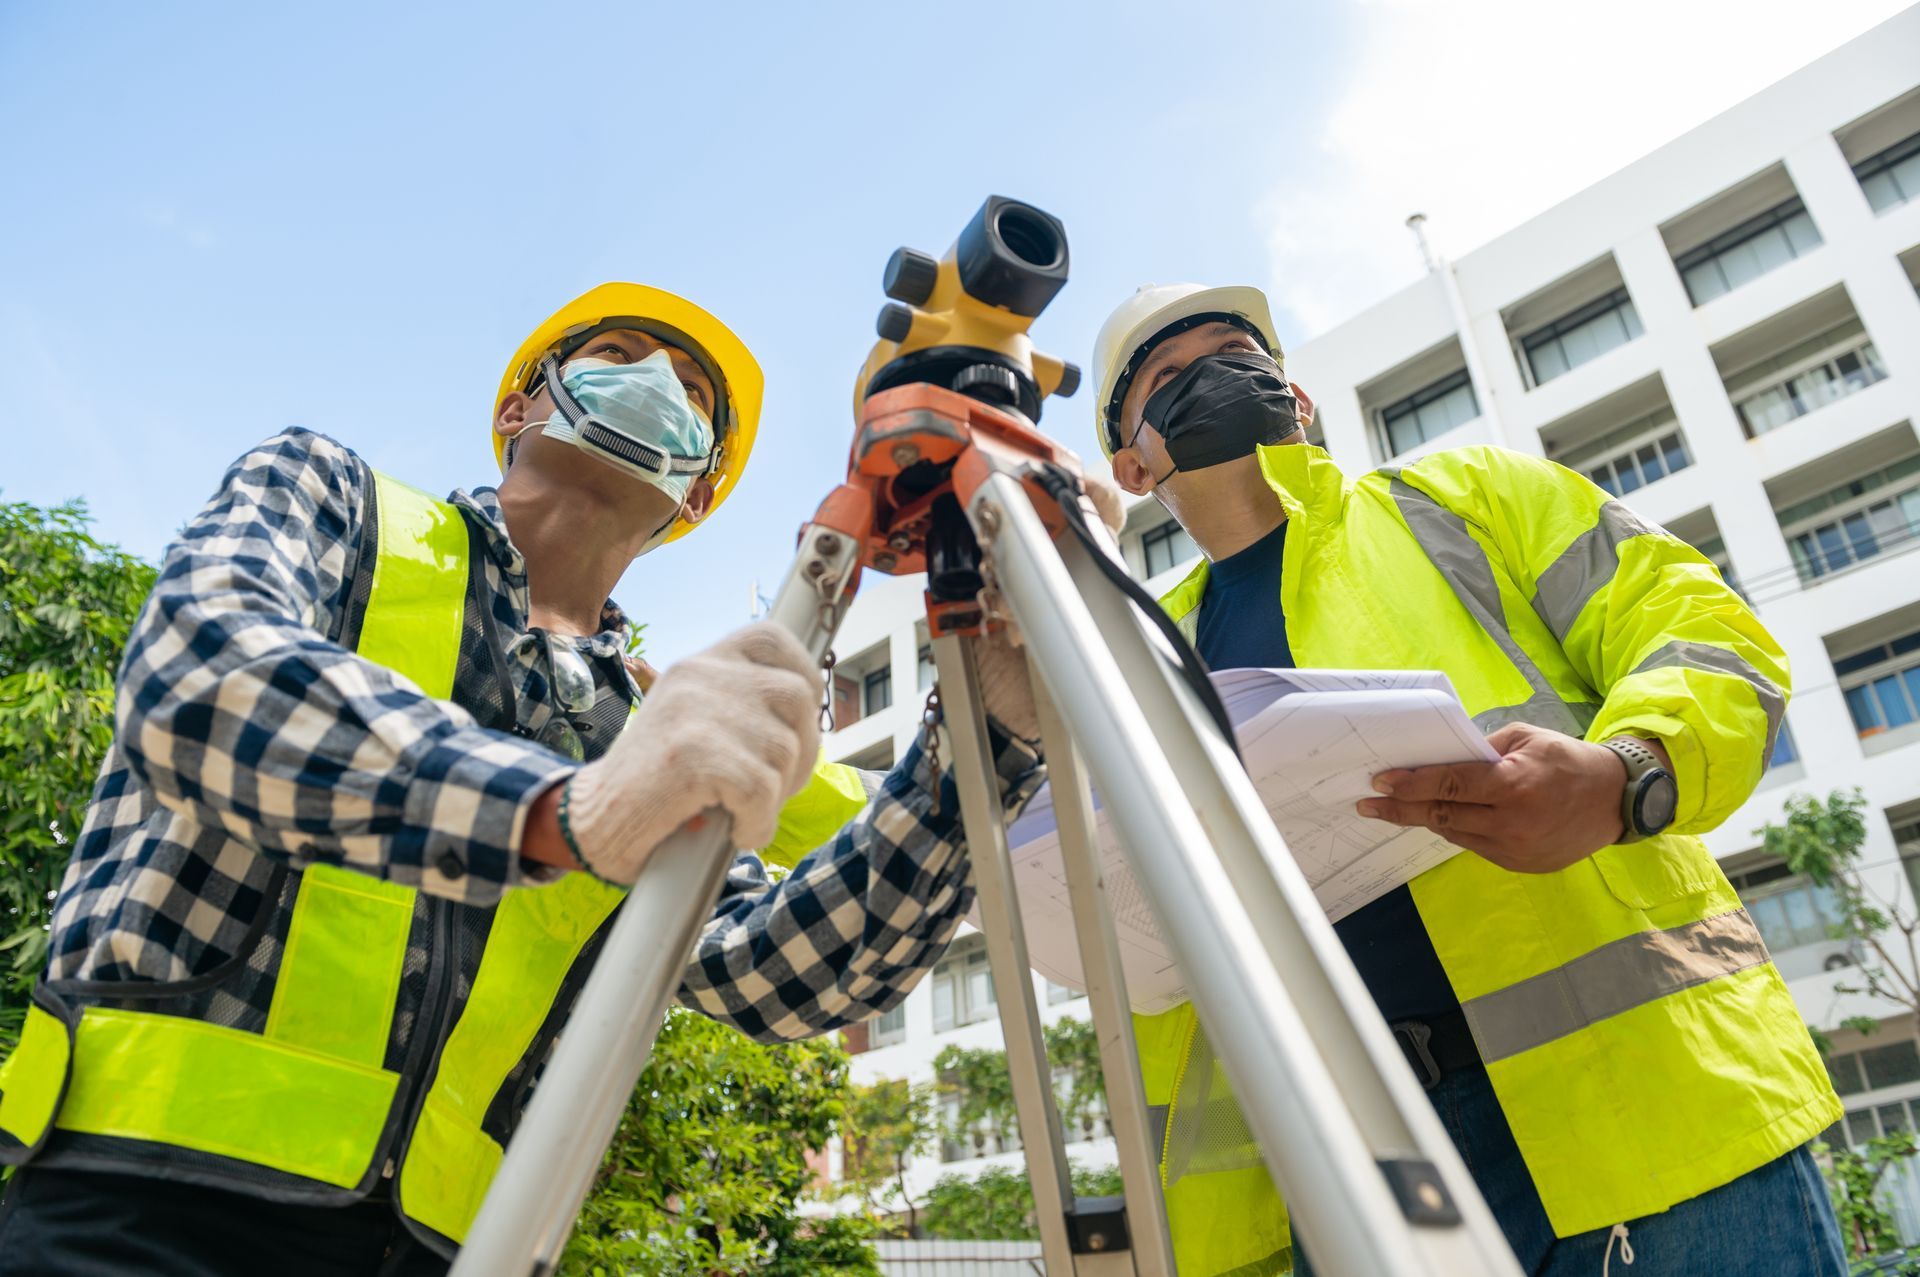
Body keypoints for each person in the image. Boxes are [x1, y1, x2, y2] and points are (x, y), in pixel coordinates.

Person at [0, 283, 1077, 1275]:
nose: (655, 386)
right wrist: (569, 809)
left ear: (694, 491)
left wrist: (987, 733)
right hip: (137, 1201)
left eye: (692, 396)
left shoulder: (644, 727)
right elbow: (199, 677)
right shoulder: (337, 499)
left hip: (454, 1247)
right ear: (523, 404)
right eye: (617, 354)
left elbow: (789, 970)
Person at [1089, 283, 1846, 1276]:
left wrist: (1624, 776)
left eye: (1237, 349)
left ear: (1298, 398)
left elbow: (1705, 634)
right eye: (1172, 376)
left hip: (1654, 1119)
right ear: (1133, 464)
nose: (1218, 374)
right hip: (1364, 1178)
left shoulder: (1462, 502)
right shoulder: (1143, 655)